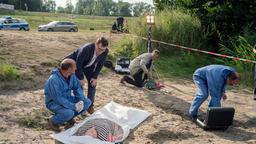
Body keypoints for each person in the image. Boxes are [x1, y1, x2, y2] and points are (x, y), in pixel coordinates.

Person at [44, 59, 91, 132]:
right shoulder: (53, 80)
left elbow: (77, 88)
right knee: (69, 112)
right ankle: (53, 121)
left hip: (68, 99)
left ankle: (69, 118)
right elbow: (58, 98)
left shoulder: (72, 76)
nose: (76, 68)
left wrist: (80, 100)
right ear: (69, 69)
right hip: (54, 103)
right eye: (74, 67)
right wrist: (73, 106)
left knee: (87, 102)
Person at [65, 37, 109, 114]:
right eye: (99, 49)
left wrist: (95, 77)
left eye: (103, 50)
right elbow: (78, 64)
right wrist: (81, 78)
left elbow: (100, 65)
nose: (100, 52)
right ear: (96, 44)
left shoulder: (105, 51)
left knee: (93, 84)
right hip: (73, 65)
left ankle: (90, 106)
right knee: (80, 85)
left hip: (88, 67)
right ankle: (81, 106)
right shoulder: (86, 49)